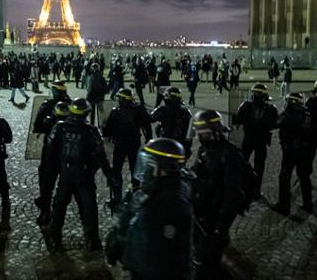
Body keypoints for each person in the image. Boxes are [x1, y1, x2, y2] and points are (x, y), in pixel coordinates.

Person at [105, 138, 193, 280]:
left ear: (163, 168)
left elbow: (157, 252)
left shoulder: (171, 202)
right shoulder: (155, 189)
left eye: (149, 165)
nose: (145, 170)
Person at [46, 98, 117, 252]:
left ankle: (54, 238)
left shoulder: (60, 127)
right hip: (84, 174)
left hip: (66, 173)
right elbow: (100, 155)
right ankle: (92, 240)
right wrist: (109, 175)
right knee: (89, 207)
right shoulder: (90, 131)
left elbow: (50, 150)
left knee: (59, 206)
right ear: (86, 113)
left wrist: (56, 169)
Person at [191, 110, 247, 280]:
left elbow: (233, 194)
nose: (199, 137)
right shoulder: (204, 149)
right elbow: (196, 174)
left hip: (216, 216)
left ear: (213, 132)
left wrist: (221, 228)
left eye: (202, 133)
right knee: (201, 253)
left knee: (208, 262)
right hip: (202, 210)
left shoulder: (230, 155)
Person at [103, 88, 152, 205]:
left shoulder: (115, 111)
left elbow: (107, 132)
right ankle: (135, 194)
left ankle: (117, 196)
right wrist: (148, 139)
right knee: (135, 169)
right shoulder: (138, 109)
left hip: (120, 143)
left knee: (117, 170)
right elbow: (147, 125)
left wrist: (104, 127)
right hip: (134, 142)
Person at [271, 93, 314, 215]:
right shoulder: (307, 114)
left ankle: (284, 205)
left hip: (290, 151)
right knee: (304, 177)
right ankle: (308, 204)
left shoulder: (287, 114)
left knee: (284, 177)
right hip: (305, 150)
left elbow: (274, 124)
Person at [234, 83, 278, 199]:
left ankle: (241, 188)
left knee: (243, 163)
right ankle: (255, 191)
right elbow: (273, 125)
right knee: (259, 166)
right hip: (261, 140)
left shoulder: (245, 106)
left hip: (248, 138)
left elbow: (237, 120)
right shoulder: (270, 109)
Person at [34, 101, 70, 225]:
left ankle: (45, 213)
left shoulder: (49, 122)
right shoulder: (72, 124)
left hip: (50, 159)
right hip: (66, 160)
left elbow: (37, 126)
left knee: (46, 187)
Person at [150, 86, 192, 156]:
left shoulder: (162, 110)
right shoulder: (186, 112)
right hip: (180, 145)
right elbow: (189, 134)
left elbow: (151, 118)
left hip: (165, 144)